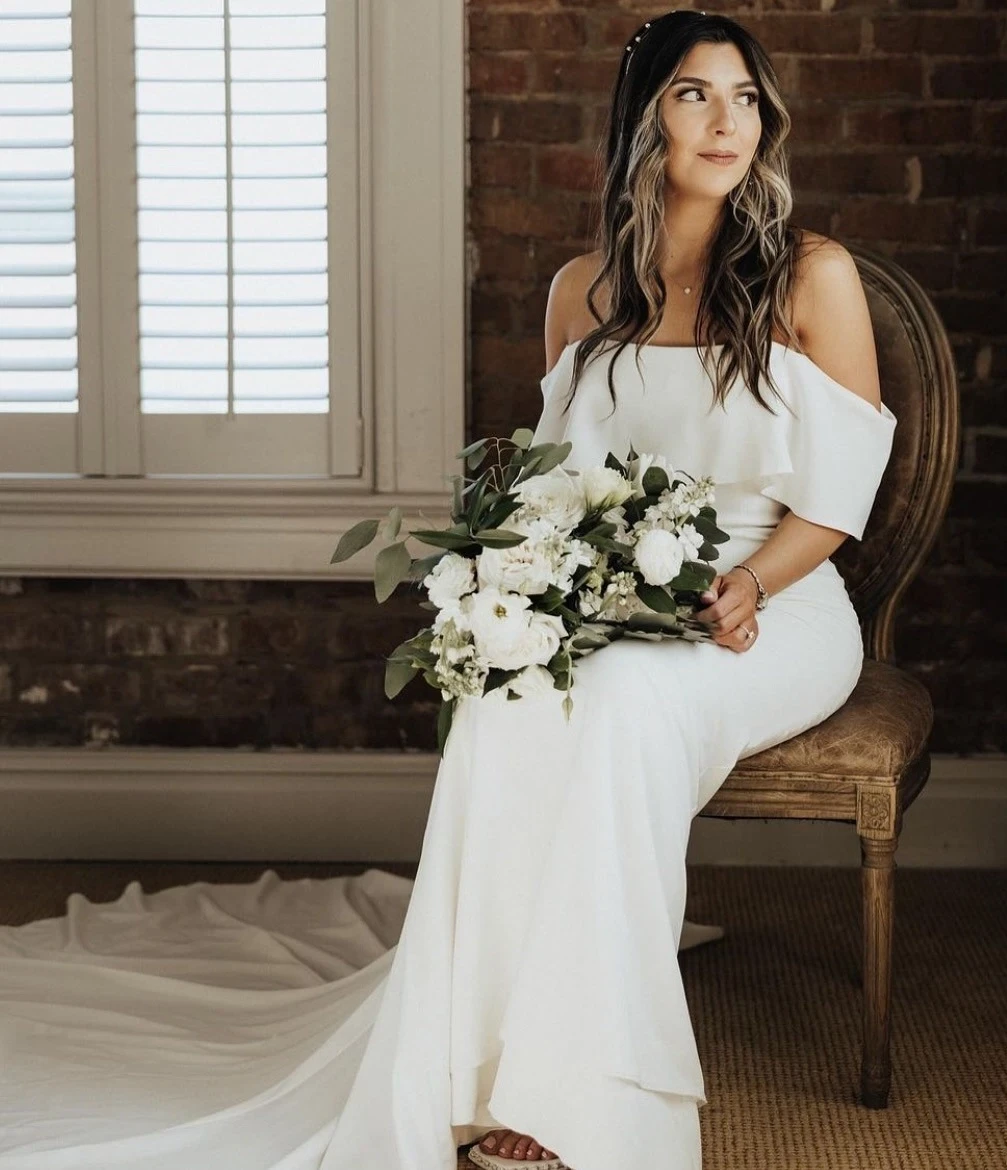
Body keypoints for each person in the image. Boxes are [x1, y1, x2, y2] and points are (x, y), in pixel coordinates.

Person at [0, 10, 896, 1170]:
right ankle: (482, 1067)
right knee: (508, 701)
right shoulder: (582, 291)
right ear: (643, 121)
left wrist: (749, 583)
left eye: (745, 97)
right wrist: (525, 584)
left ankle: (584, 1098)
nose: (727, 122)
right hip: (617, 600)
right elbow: (554, 489)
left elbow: (841, 498)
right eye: (693, 94)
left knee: (623, 707)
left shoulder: (812, 276)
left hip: (776, 603)